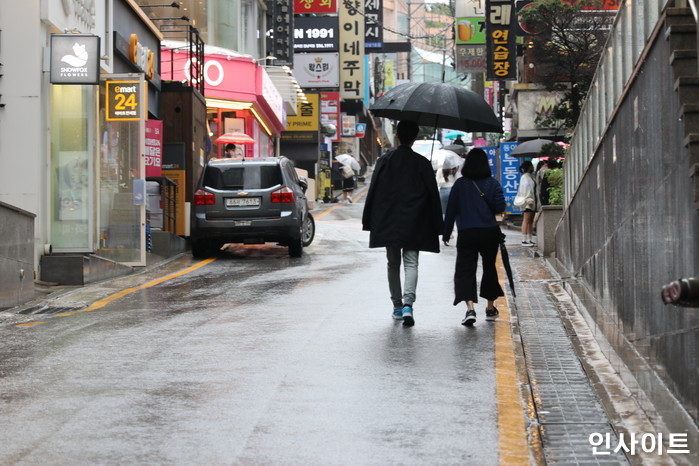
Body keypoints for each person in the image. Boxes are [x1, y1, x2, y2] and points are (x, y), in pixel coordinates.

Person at [362, 120, 443, 327]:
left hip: (389, 221)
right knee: (411, 263)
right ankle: (408, 304)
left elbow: (373, 193)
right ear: (415, 138)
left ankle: (397, 306)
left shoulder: (384, 161)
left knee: (393, 264)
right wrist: (439, 226)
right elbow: (433, 196)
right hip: (414, 221)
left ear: (397, 135)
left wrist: (370, 220)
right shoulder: (423, 163)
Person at [443, 148, 506, 326]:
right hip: (488, 232)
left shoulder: (460, 185)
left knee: (465, 270)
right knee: (489, 268)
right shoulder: (492, 184)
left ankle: (470, 309)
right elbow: (499, 206)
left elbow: (451, 211)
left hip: (467, 233)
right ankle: (490, 307)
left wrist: (446, 233)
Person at [516, 160, 538, 246]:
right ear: (529, 167)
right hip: (528, 202)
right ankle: (524, 240)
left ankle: (529, 239)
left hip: (532, 201)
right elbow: (524, 190)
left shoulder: (529, 176)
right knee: (526, 220)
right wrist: (528, 199)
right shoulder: (525, 177)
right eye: (532, 166)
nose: (533, 168)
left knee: (530, 221)